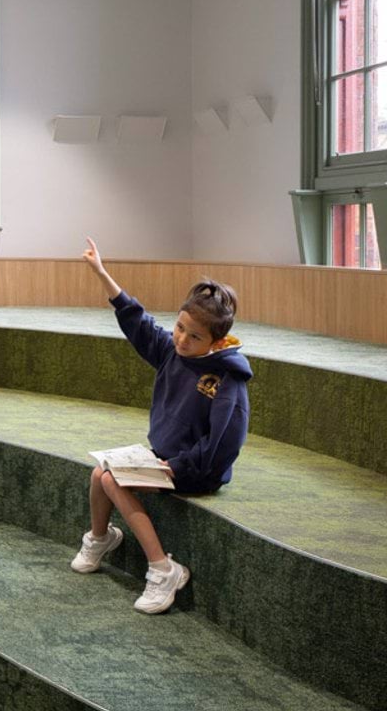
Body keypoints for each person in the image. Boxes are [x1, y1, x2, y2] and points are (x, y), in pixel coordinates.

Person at [73, 236, 251, 614]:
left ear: (217, 341)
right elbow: (138, 322)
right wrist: (102, 273)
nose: (182, 339)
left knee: (110, 479)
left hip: (196, 471)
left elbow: (223, 447)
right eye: (180, 327)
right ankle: (101, 538)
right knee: (97, 473)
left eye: (195, 336)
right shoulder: (174, 351)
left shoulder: (226, 380)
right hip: (164, 457)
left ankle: (163, 568)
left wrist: (179, 466)